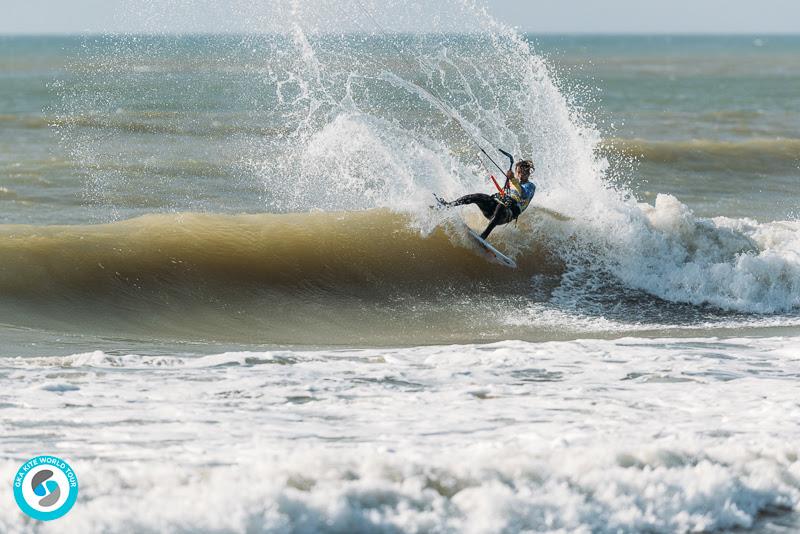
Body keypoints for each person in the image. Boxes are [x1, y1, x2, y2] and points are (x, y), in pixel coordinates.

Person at [435, 159, 536, 240]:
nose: (521, 175)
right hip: (493, 211)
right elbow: (506, 195)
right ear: (516, 172)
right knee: (477, 196)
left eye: (524, 173)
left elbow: (523, 194)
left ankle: (483, 236)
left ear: (528, 173)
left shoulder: (530, 186)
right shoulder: (512, 183)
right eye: (519, 172)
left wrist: (513, 179)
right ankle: (448, 205)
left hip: (505, 215)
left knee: (501, 206)